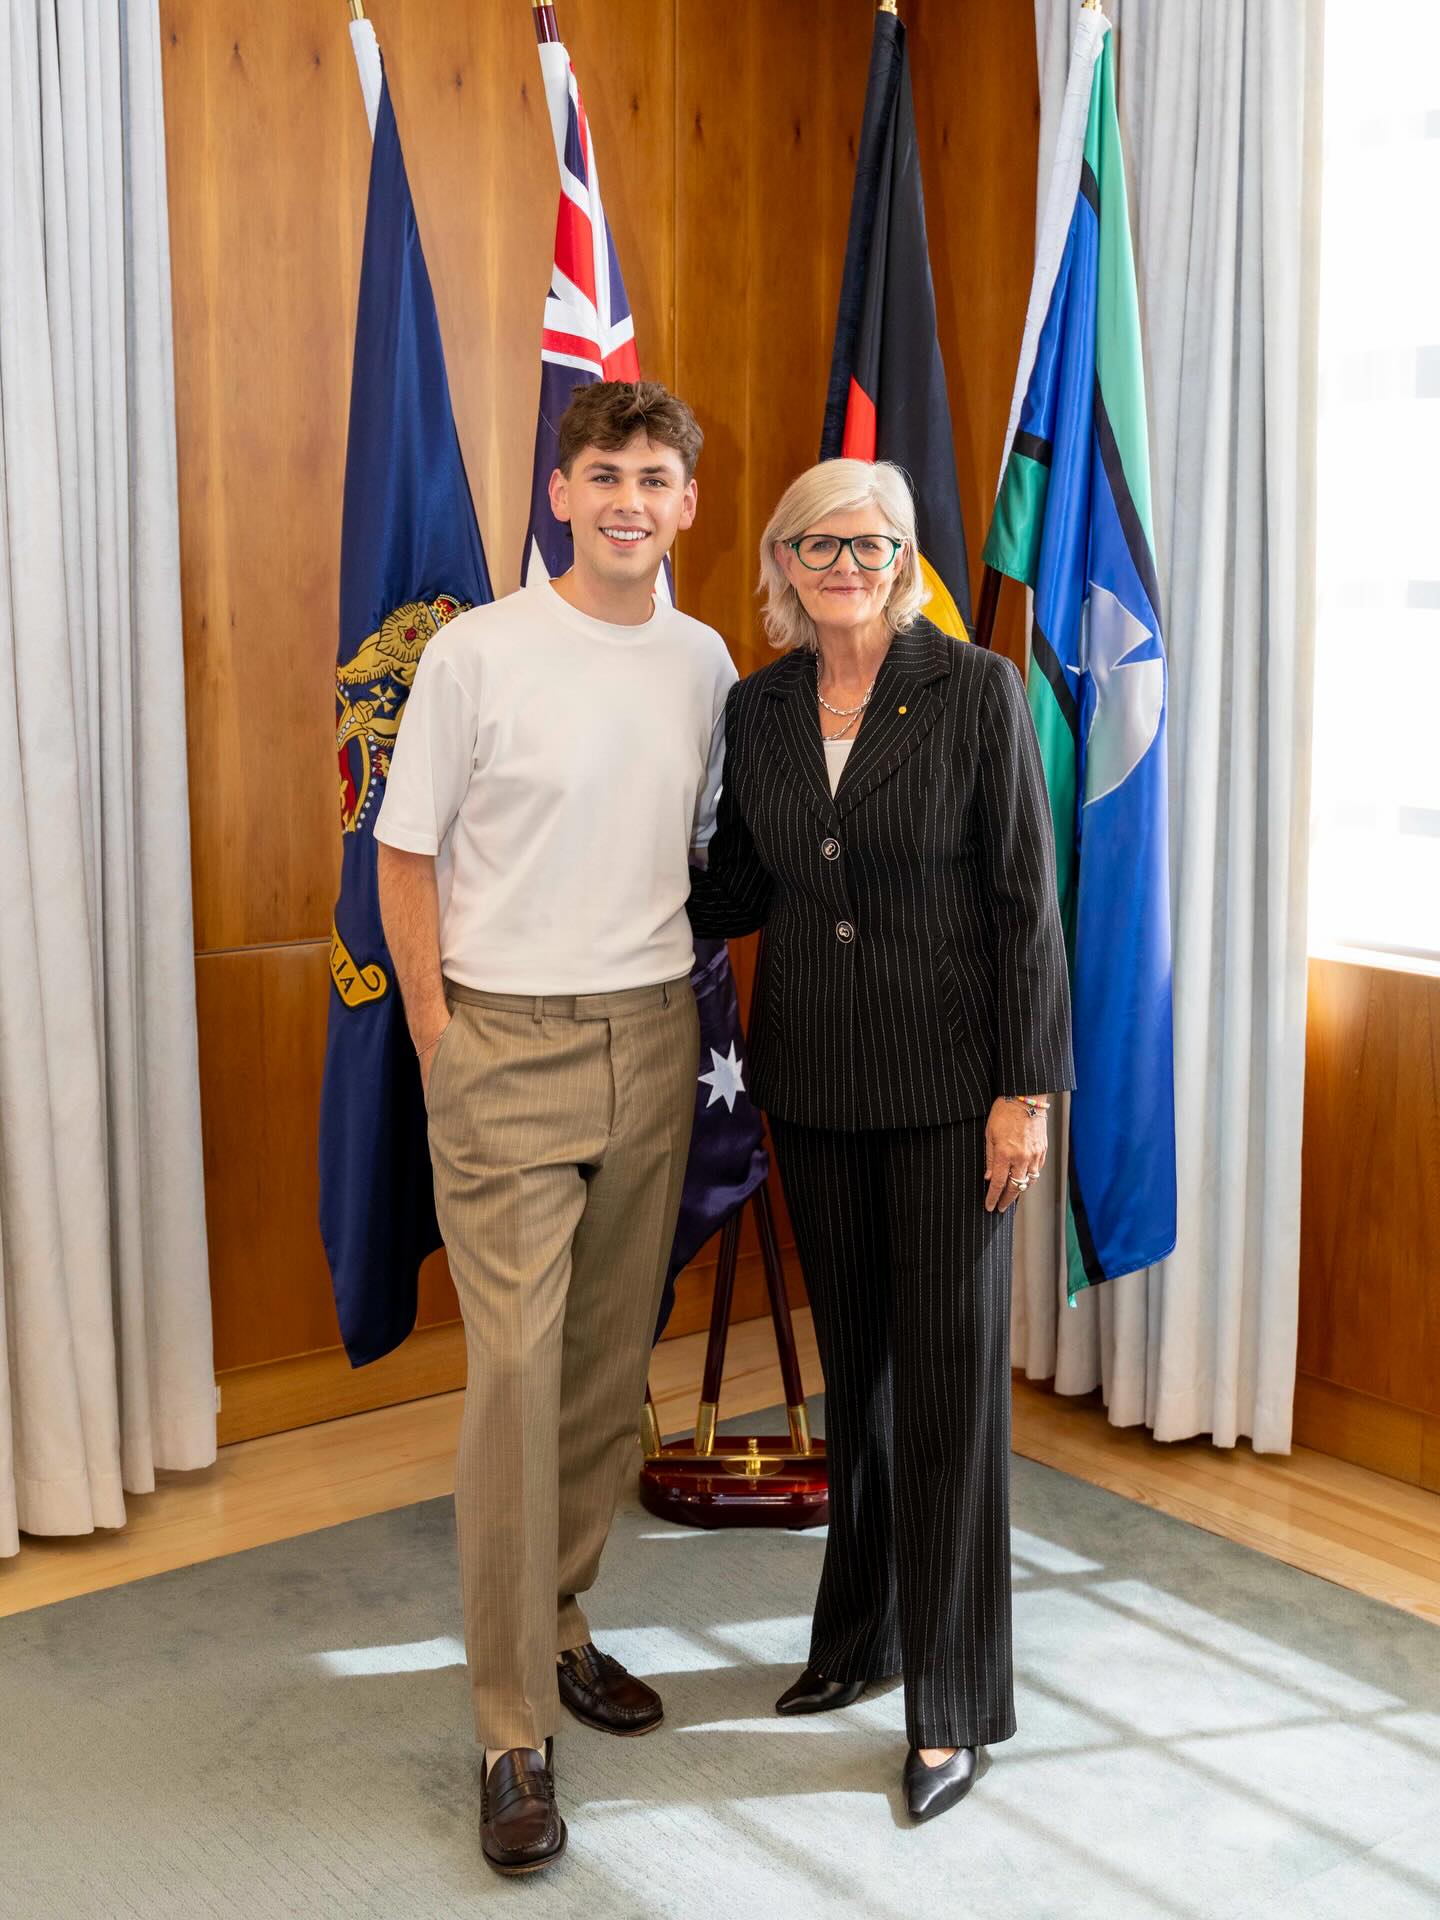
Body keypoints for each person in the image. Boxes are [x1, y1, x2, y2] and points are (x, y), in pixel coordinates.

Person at [375, 381, 734, 1876]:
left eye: (656, 475)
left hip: (655, 1035)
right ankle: (509, 1720)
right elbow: (404, 857)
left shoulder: (710, 660)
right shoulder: (478, 651)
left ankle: (566, 1613)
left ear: (689, 503)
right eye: (605, 473)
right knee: (516, 1372)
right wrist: (440, 1040)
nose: (629, 499)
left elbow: (709, 847)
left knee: (600, 1370)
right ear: (562, 492)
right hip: (503, 1041)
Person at [688, 458, 1073, 1825]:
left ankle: (956, 1703)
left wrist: (1026, 1093)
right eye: (816, 542)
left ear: (904, 556)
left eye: (870, 540)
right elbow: (735, 874)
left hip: (956, 1093)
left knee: (953, 1393)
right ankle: (859, 1640)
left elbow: (1026, 900)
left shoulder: (972, 689)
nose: (843, 561)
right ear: (782, 562)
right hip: (815, 1088)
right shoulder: (759, 703)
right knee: (860, 1385)